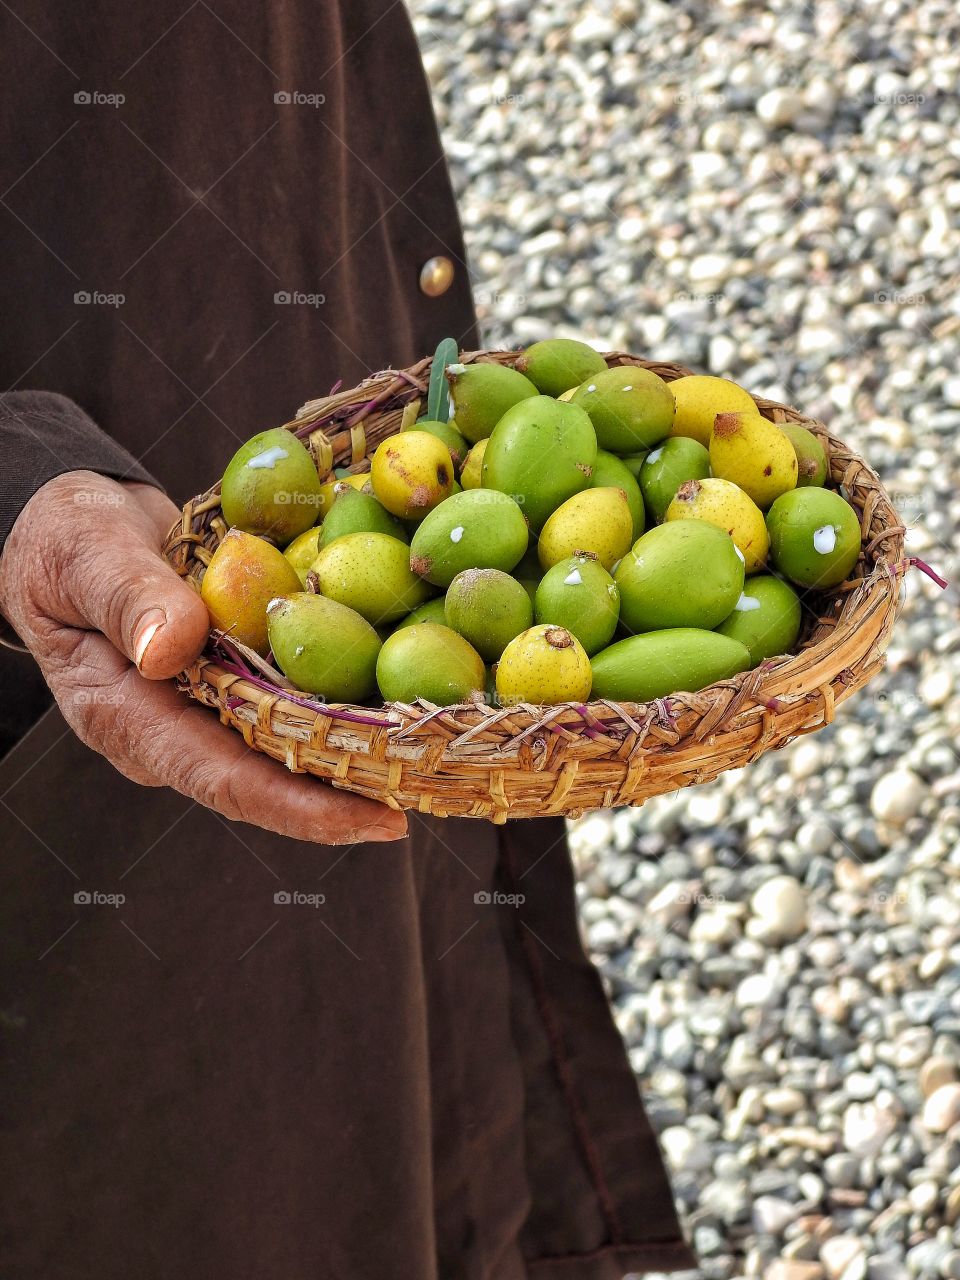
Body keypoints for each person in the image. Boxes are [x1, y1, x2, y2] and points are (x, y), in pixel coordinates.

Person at [0, 3, 697, 1276]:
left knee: (405, 1067)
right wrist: (18, 488)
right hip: (82, 700)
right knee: (203, 1151)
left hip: (337, 456)